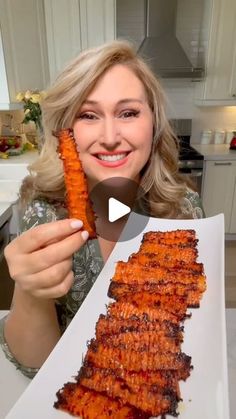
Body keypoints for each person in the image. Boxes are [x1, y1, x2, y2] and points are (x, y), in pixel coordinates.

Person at [0, 40, 204, 378]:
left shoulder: (184, 210)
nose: (110, 136)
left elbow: (190, 335)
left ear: (152, 123)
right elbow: (35, 367)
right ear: (66, 131)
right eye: (88, 115)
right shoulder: (44, 215)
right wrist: (31, 291)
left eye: (128, 112)